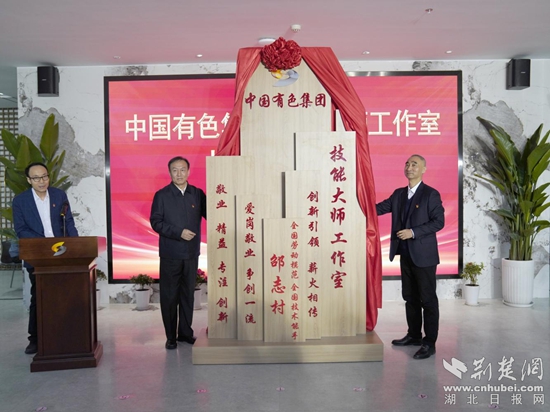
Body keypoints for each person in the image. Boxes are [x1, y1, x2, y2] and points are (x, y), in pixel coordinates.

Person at [376, 154, 444, 359]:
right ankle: (414, 335)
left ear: (423, 169)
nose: (409, 167)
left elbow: (438, 222)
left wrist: (413, 232)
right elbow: (378, 208)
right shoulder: (398, 194)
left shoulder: (431, 194)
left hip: (424, 256)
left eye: (415, 164)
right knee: (410, 298)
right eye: (407, 163)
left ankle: (429, 343)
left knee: (428, 299)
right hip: (405, 254)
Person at [12, 162, 79, 355]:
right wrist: (46, 246)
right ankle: (35, 339)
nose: (42, 181)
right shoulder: (20, 201)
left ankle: (66, 335)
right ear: (28, 180)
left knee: (65, 296)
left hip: (62, 254)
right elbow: (21, 230)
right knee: (39, 297)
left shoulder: (59, 195)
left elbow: (68, 223)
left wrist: (75, 246)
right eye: (36, 178)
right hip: (38, 256)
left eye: (44, 176)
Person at [150, 156, 207, 350]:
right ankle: (170, 337)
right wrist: (178, 232)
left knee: (187, 295)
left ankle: (185, 333)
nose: (179, 174)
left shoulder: (197, 194)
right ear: (170, 173)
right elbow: (156, 222)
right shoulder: (162, 195)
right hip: (170, 254)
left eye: (183, 169)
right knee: (169, 296)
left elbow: (212, 213)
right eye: (175, 170)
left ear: (189, 171)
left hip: (191, 254)